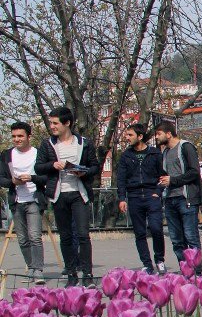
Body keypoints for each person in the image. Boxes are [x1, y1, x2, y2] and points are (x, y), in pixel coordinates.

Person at [34, 106, 100, 288]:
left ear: (67, 123)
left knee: (83, 235)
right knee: (65, 236)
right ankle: (71, 274)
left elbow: (95, 166)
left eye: (55, 123)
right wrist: (52, 165)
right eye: (51, 123)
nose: (52, 126)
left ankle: (87, 274)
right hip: (58, 195)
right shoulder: (47, 144)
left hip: (79, 194)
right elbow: (38, 167)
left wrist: (83, 172)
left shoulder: (84, 143)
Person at [153, 121, 202, 273]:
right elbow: (165, 175)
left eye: (159, 134)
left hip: (185, 199)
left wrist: (173, 180)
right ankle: (185, 271)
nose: (156, 137)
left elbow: (194, 172)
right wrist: (159, 187)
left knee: (191, 237)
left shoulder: (185, 147)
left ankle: (197, 274)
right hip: (170, 200)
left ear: (169, 134)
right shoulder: (165, 152)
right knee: (176, 240)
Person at [0, 121, 47, 284]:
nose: (16, 139)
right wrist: (13, 182)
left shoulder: (38, 153)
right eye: (13, 136)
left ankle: (38, 270)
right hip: (16, 200)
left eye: (20, 136)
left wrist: (32, 178)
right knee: (22, 238)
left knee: (35, 236)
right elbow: (2, 179)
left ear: (28, 136)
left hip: (34, 198)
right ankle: (31, 267)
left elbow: (46, 177)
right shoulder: (7, 155)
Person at [116, 123, 166, 274]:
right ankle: (147, 264)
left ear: (140, 137)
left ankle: (160, 260)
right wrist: (122, 198)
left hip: (152, 195)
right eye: (126, 135)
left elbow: (163, 174)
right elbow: (121, 178)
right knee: (139, 232)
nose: (127, 138)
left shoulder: (155, 153)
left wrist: (158, 190)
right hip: (134, 196)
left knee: (156, 228)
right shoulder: (126, 155)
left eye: (130, 135)